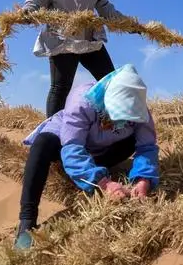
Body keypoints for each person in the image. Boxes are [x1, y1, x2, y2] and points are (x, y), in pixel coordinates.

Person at [14, 64, 160, 249]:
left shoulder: (140, 110)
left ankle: (92, 170)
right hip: (66, 140)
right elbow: (72, 148)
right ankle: (27, 220)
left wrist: (143, 181)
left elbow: (147, 147)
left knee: (131, 141)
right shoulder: (82, 101)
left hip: (102, 148)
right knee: (42, 144)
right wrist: (103, 183)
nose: (120, 122)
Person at [22, 0, 133, 118]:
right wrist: (27, 13)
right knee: (60, 87)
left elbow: (106, 9)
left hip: (89, 39)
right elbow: (34, 3)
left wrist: (127, 24)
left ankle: (121, 120)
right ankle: (52, 131)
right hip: (62, 41)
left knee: (109, 80)